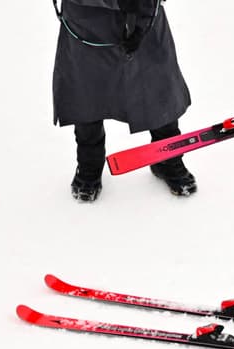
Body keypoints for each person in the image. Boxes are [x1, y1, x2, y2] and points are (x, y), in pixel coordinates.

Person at [52, 0, 196, 202]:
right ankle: (89, 166)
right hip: (88, 24)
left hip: (145, 17)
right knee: (88, 97)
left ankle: (167, 158)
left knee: (158, 92)